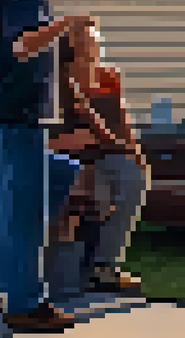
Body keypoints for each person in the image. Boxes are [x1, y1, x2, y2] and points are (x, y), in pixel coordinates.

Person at [0, 0, 91, 331]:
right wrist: (67, 23)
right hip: (24, 114)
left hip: (9, 114)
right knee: (25, 212)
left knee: (26, 200)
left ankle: (6, 288)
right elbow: (23, 44)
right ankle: (27, 303)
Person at [44, 16, 147, 297]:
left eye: (95, 39)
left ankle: (106, 264)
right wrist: (64, 143)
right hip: (71, 153)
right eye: (86, 40)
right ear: (72, 44)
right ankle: (64, 271)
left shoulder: (109, 76)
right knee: (84, 193)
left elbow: (123, 122)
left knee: (133, 179)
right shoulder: (57, 80)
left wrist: (135, 152)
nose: (93, 45)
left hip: (107, 152)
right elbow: (46, 134)